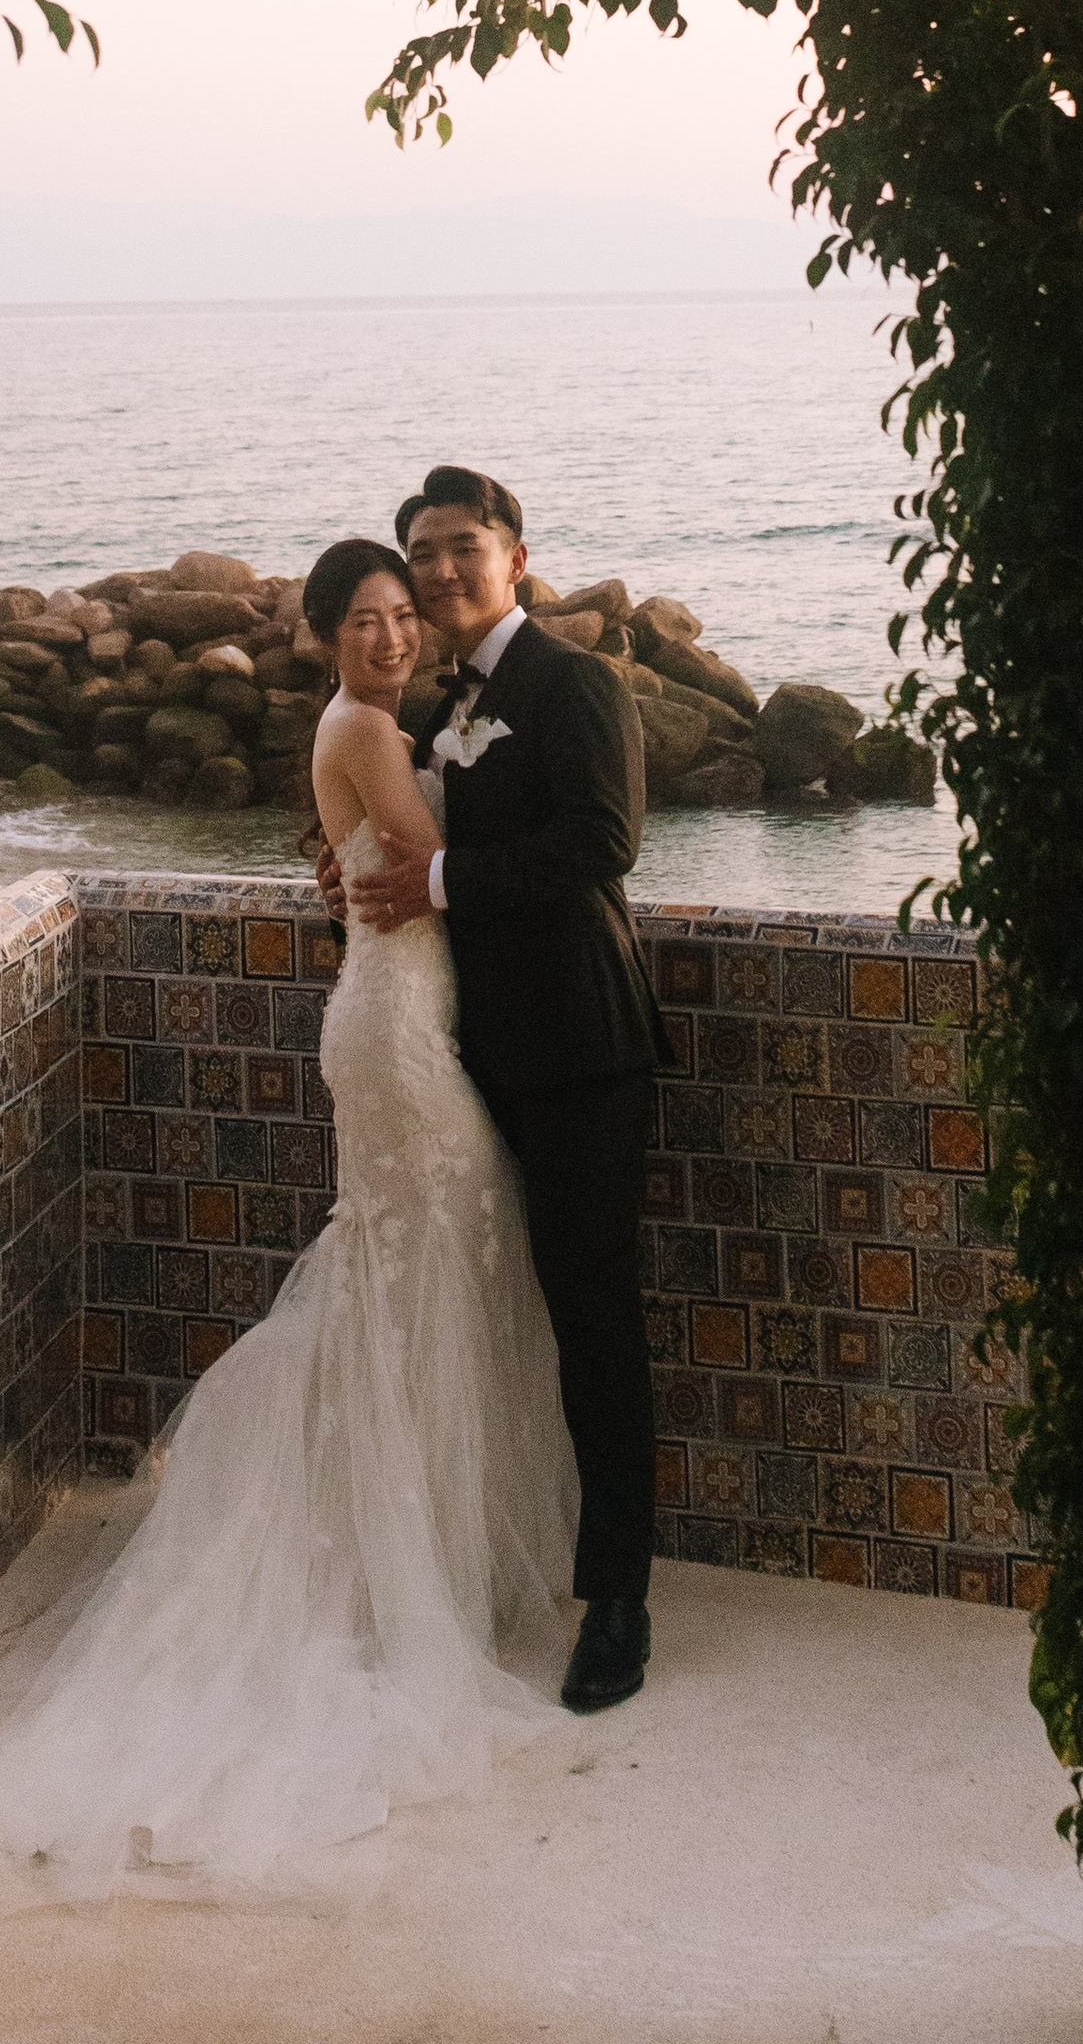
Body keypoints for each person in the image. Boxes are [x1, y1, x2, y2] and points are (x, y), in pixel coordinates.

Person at [0, 534, 578, 1897]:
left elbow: (390, 860)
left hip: (403, 1016)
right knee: (419, 1267)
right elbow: (433, 857)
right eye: (370, 621)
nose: (394, 639)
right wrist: (482, 804)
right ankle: (374, 1567)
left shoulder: (373, 726)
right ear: (327, 635)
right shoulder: (364, 727)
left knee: (416, 1274)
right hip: (393, 1031)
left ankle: (414, 1557)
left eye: (408, 619)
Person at [341, 463, 668, 1720]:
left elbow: (604, 842)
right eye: (419, 551)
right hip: (474, 1054)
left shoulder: (572, 679)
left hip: (584, 1048)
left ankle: (620, 1600)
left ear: (514, 557)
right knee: (502, 1308)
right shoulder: (439, 703)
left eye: (460, 547)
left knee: (595, 1318)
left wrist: (434, 888)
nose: (436, 570)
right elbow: (407, 834)